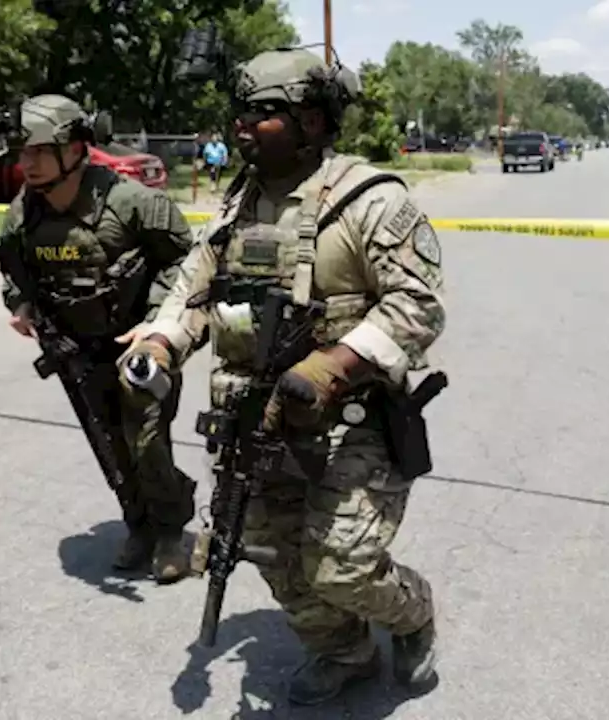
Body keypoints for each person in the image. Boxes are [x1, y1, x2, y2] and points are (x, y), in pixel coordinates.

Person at [119, 48, 446, 704]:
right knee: (272, 555)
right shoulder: (238, 204)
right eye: (240, 112)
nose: (243, 125)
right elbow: (194, 291)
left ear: (314, 121)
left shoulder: (369, 199)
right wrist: (158, 342)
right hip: (256, 424)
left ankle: (413, 617)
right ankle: (343, 651)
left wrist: (332, 367)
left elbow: (418, 304)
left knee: (341, 567)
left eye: (264, 113)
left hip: (354, 425)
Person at [0, 94, 198, 583]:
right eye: (22, 153)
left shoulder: (132, 202)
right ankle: (140, 524)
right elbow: (13, 268)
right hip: (77, 350)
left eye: (39, 151)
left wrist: (155, 322)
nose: (27, 163)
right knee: (108, 443)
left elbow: (185, 263)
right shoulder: (25, 214)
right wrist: (20, 304)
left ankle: (171, 531)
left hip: (139, 348)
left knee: (146, 438)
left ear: (75, 148)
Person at [202, 131, 229, 195]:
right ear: (211, 138)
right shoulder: (208, 145)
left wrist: (224, 161)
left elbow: (225, 154)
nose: (214, 139)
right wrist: (204, 161)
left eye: (215, 138)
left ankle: (216, 186)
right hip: (210, 163)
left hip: (219, 163)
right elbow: (205, 154)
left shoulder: (221, 145)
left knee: (217, 175)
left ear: (217, 139)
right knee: (212, 173)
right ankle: (213, 185)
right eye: (213, 138)